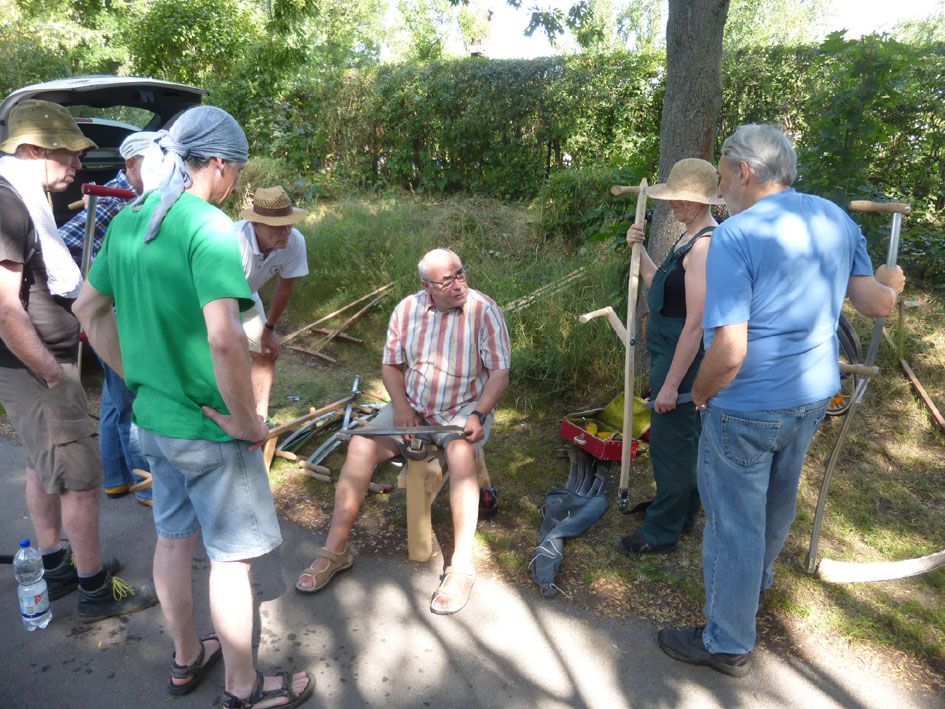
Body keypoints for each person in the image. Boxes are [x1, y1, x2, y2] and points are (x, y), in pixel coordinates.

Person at [74, 107, 313, 708]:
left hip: (153, 421)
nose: (233, 181)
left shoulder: (130, 220)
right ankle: (243, 686)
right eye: (235, 169)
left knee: (173, 541)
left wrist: (138, 375)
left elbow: (87, 311)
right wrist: (247, 422)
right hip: (208, 430)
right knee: (231, 563)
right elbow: (227, 338)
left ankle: (186, 658)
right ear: (218, 164)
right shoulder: (206, 226)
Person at [657, 124, 906, 677]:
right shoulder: (833, 217)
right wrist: (893, 283)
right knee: (775, 505)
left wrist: (699, 394)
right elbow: (874, 303)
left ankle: (726, 640)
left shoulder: (735, 237)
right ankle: (754, 587)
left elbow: (728, 351)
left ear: (744, 171)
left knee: (733, 522)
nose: (721, 189)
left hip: (746, 405)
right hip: (811, 397)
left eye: (722, 177)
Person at [0, 99, 157, 621]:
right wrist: (50, 371)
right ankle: (94, 590)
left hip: (34, 367)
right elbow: (4, 308)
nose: (76, 167)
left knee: (45, 469)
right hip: (37, 370)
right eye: (66, 155)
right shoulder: (8, 202)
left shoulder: (21, 197)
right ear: (30, 150)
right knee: (83, 478)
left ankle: (57, 567)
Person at [295, 248, 511, 616]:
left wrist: (478, 413)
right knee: (361, 444)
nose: (459, 285)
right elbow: (391, 367)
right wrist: (404, 408)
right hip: (411, 405)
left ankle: (462, 566)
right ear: (427, 286)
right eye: (447, 281)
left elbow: (500, 373)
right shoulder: (407, 310)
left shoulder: (483, 311)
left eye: (461, 274)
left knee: (460, 453)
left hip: (462, 410)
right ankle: (335, 550)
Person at [616, 158, 721, 554]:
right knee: (684, 439)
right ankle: (681, 512)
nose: (672, 206)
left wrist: (672, 386)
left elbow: (696, 323)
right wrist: (638, 250)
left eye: (677, 200)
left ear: (696, 203)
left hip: (683, 355)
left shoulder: (706, 246)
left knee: (671, 443)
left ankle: (660, 532)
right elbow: (659, 282)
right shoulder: (688, 236)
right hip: (668, 350)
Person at [59, 134, 153, 505]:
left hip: (107, 308)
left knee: (115, 399)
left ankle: (116, 477)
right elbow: (63, 240)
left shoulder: (122, 195)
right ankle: (147, 484)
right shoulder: (117, 198)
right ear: (131, 165)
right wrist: (81, 286)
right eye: (152, 162)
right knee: (129, 398)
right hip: (107, 312)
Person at [233, 185, 309, 420]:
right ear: (255, 224)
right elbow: (218, 298)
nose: (285, 231)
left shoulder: (294, 241)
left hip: (246, 295)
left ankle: (260, 416)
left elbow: (285, 285)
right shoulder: (232, 240)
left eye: (289, 223)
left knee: (266, 352)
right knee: (223, 354)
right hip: (210, 299)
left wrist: (269, 329)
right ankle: (226, 413)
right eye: (277, 226)